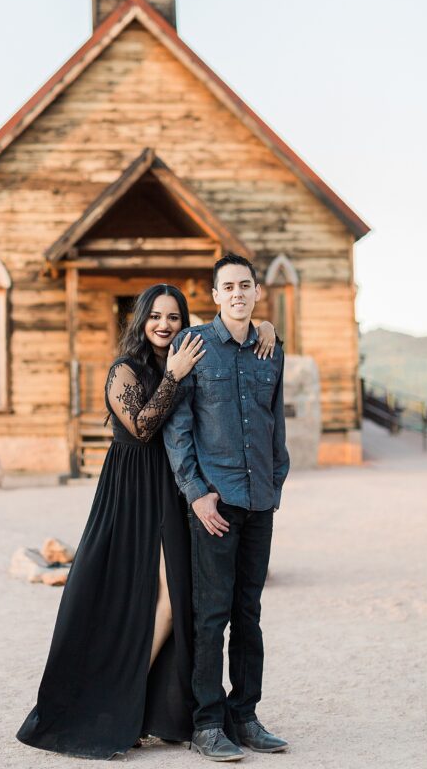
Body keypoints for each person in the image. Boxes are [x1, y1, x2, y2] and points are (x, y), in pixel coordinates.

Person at [16, 283, 277, 759]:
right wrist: (173, 376)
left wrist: (265, 325)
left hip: (177, 488)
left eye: (173, 317)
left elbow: (229, 338)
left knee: (180, 599)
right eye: (155, 316)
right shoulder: (125, 370)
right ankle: (115, 700)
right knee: (144, 599)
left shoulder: (187, 356)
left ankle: (162, 709)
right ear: (141, 321)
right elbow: (140, 426)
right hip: (133, 490)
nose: (164, 324)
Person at [163, 254, 291, 762]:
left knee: (249, 613)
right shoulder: (192, 345)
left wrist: (277, 479)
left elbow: (275, 420)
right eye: (227, 286)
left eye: (245, 285)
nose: (237, 293)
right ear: (214, 295)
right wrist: (196, 492)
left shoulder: (269, 348)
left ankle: (246, 716)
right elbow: (179, 426)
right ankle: (207, 724)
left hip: (260, 499)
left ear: (256, 292)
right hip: (215, 503)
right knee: (212, 615)